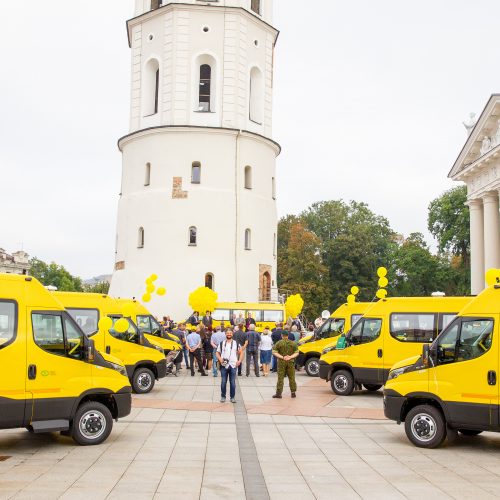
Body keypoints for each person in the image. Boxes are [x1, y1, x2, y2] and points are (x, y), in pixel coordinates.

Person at [216, 328, 243, 403]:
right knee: (223, 382)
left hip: (233, 365)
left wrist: (239, 361)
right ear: (225, 334)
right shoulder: (222, 343)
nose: (229, 334)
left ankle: (232, 397)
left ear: (232, 334)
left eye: (230, 333)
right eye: (227, 333)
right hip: (224, 365)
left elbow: (241, 352)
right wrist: (220, 359)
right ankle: (223, 396)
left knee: (232, 382)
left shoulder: (236, 343)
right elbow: (217, 353)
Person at [272, 329, 299, 398]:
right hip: (290, 362)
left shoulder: (278, 343)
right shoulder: (293, 343)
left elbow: (274, 352)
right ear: (288, 335)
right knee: (292, 377)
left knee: (280, 378)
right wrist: (290, 357)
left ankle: (279, 393)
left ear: (282, 335)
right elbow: (297, 353)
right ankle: (293, 393)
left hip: (281, 362)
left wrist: (282, 357)